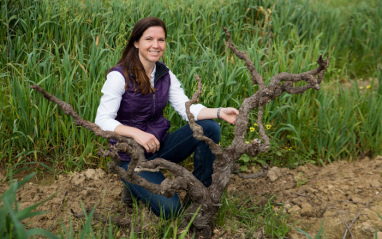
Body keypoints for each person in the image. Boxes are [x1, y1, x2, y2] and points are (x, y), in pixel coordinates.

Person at [95, 17, 239, 219]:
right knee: (171, 210)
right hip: (130, 156)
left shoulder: (164, 74)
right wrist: (138, 134)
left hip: (159, 147)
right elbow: (102, 119)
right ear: (136, 42)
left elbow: (187, 108)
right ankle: (132, 185)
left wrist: (219, 111)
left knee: (209, 127)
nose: (156, 45)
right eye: (149, 39)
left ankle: (199, 193)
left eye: (161, 40)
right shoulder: (119, 76)